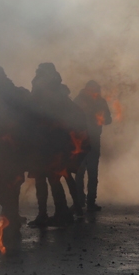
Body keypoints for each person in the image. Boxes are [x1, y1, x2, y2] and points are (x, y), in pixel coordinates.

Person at [27, 64, 88, 227]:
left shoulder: (54, 94)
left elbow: (68, 116)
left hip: (51, 143)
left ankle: (59, 213)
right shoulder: (53, 91)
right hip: (46, 142)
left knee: (51, 178)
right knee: (46, 178)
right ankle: (52, 213)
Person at [0, 65, 33, 245]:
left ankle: (10, 222)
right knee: (8, 186)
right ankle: (11, 217)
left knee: (6, 185)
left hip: (7, 149)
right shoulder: (9, 94)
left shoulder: (4, 95)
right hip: (7, 150)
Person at [74, 81, 112, 212]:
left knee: (92, 171)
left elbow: (109, 119)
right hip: (80, 141)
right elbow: (71, 119)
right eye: (94, 90)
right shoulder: (79, 100)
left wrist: (101, 119)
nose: (96, 92)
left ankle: (90, 201)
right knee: (80, 172)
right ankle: (80, 200)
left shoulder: (100, 102)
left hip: (94, 140)